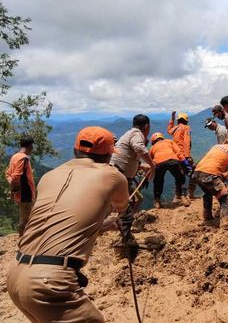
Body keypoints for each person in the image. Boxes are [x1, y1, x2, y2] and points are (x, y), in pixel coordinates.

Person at [7, 126, 129, 323]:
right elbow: (122, 207)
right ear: (108, 157)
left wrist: (101, 226)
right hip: (49, 283)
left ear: (74, 151)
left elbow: (58, 223)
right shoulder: (112, 175)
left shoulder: (48, 176)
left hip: (15, 274)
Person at [110, 114, 155, 242]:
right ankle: (125, 240)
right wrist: (152, 165)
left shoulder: (129, 133)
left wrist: (141, 166)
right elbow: (139, 147)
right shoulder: (137, 134)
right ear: (147, 126)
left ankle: (123, 233)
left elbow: (127, 158)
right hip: (120, 176)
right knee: (126, 208)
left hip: (118, 174)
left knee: (127, 205)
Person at [192, 136, 228, 228]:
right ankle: (225, 225)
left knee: (208, 192)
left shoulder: (216, 146)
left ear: (227, 142)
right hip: (210, 175)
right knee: (226, 199)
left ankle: (207, 218)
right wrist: (223, 175)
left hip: (196, 173)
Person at [149, 132, 192, 208]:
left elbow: (150, 161)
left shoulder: (152, 148)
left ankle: (157, 201)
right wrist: (186, 164)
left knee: (158, 181)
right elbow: (179, 153)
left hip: (159, 163)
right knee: (180, 178)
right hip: (172, 160)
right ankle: (183, 197)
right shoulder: (170, 141)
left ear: (153, 141)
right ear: (162, 138)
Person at [5, 135, 36, 236]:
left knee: (25, 217)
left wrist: (13, 192)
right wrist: (13, 191)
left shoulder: (14, 157)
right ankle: (23, 242)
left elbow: (8, 174)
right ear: (30, 146)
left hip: (20, 194)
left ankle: (24, 241)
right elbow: (15, 177)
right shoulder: (24, 159)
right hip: (25, 194)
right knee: (26, 220)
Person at [167, 111, 196, 197]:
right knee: (193, 171)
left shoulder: (175, 128)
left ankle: (178, 195)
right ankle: (190, 193)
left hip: (176, 155)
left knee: (179, 174)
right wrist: (187, 156)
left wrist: (172, 118)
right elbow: (186, 142)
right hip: (184, 156)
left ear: (178, 120)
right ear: (186, 121)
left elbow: (169, 130)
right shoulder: (187, 128)